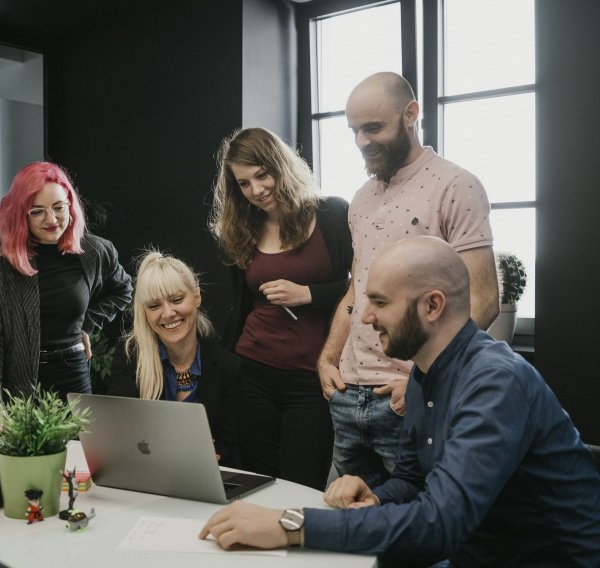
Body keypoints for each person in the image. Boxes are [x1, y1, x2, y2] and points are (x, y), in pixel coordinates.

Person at [200, 236, 600, 566]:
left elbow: (439, 525)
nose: (366, 317)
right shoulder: (422, 374)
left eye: (381, 302)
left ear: (432, 305)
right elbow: (412, 480)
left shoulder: (495, 382)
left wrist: (291, 525)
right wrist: (376, 497)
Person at [317, 72, 500, 488]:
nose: (362, 141)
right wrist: (328, 359)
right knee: (348, 528)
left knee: (419, 529)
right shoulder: (361, 198)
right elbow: (356, 288)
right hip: (347, 395)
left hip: (406, 397)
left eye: (374, 128)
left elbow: (484, 301)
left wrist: (420, 382)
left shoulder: (456, 185)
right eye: (354, 131)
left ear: (411, 114)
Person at [209, 127, 352, 490]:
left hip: (312, 375)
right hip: (252, 371)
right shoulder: (244, 227)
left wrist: (309, 295)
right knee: (258, 482)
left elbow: (365, 287)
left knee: (303, 486)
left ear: (281, 165)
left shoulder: (333, 214)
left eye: (262, 174)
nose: (256, 190)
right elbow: (241, 307)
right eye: (243, 183)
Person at [0, 161, 132, 418]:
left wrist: (85, 324)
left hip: (72, 374)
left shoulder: (94, 251)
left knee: (80, 455)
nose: (52, 219)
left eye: (59, 207)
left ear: (70, 205)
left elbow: (122, 289)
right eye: (37, 211)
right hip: (16, 380)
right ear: (21, 214)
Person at [108, 251, 240, 466]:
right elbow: (121, 434)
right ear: (144, 312)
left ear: (196, 297)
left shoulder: (228, 366)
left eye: (177, 300)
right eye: (154, 306)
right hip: (144, 473)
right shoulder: (130, 356)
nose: (168, 313)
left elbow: (226, 445)